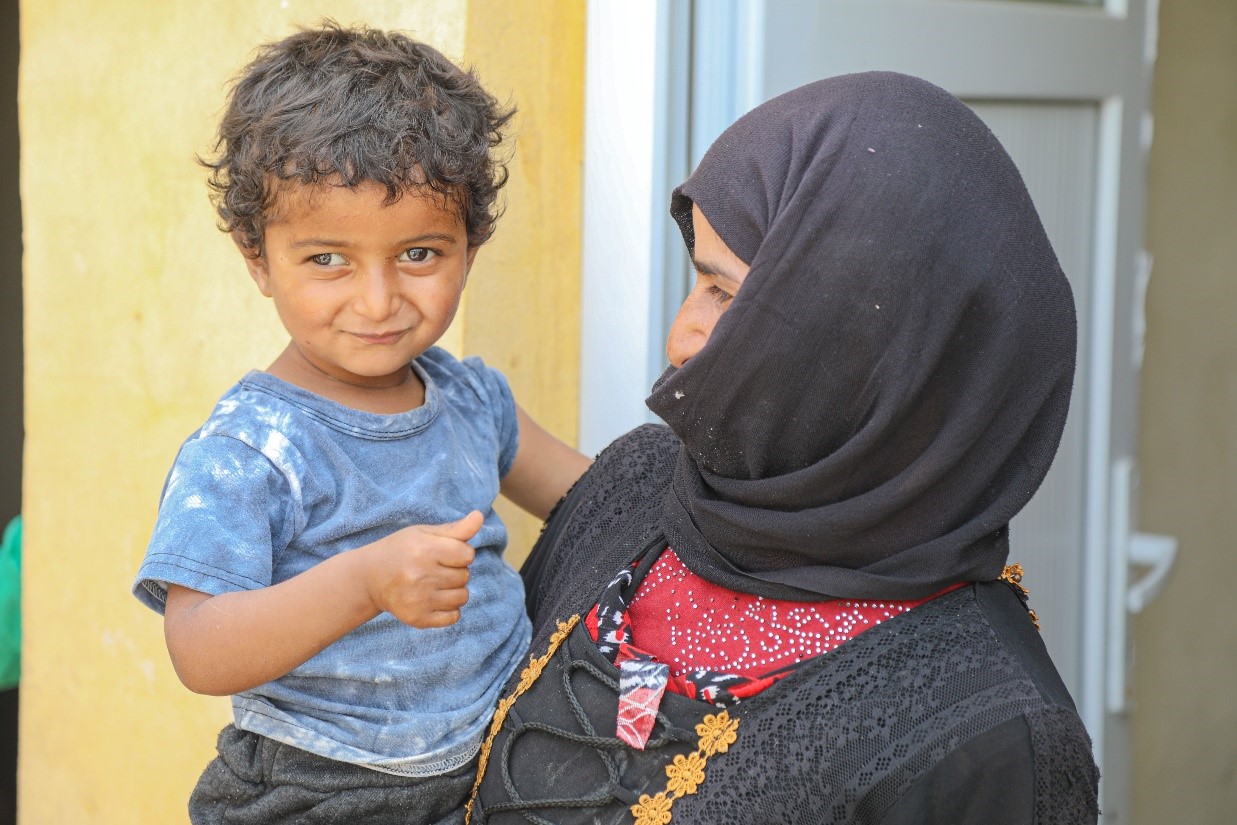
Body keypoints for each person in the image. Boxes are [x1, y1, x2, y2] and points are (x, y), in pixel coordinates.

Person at [468, 72, 1100, 824]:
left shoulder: (986, 737)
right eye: (695, 281)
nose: (680, 337)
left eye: (726, 294)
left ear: (862, 340)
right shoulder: (641, 490)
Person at [131, 23, 590, 825]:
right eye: (327, 260)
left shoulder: (471, 400)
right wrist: (364, 582)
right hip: (324, 787)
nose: (378, 302)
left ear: (470, 247)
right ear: (256, 258)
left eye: (418, 254)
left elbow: (595, 497)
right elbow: (198, 646)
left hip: (491, 763)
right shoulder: (252, 449)